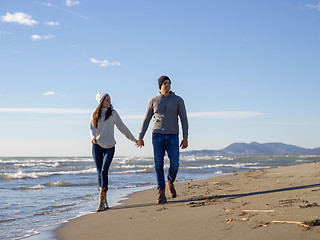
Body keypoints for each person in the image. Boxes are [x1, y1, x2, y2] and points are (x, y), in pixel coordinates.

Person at [137, 76, 189, 204]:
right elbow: (146, 119)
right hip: (157, 135)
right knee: (158, 165)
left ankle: (170, 181)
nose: (168, 85)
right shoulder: (153, 100)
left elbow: (184, 119)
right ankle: (161, 192)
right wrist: (140, 136)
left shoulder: (178, 100)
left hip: (173, 135)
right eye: (165, 83)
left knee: (175, 163)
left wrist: (185, 137)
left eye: (169, 83)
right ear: (160, 86)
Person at [90, 92, 137, 212]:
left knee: (104, 171)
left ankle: (102, 201)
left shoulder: (113, 114)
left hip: (110, 147)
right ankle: (102, 201)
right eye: (106, 100)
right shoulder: (94, 115)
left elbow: (123, 128)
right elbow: (91, 128)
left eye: (109, 100)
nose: (109, 102)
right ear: (101, 102)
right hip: (97, 146)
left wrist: (134, 140)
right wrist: (93, 138)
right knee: (99, 172)